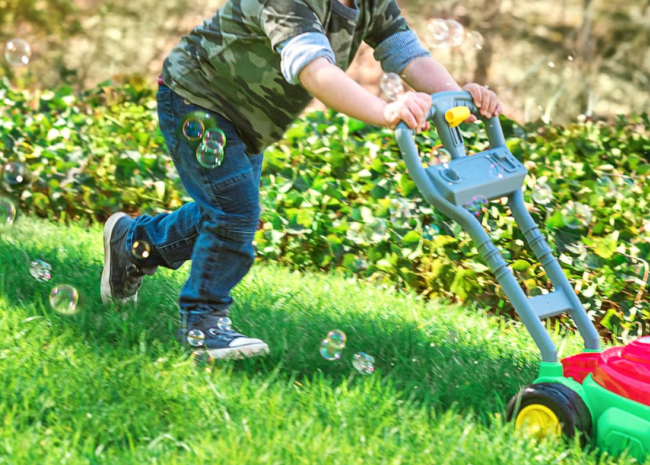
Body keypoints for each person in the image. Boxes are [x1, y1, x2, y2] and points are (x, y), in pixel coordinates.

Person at [100, 0, 503, 360]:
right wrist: (385, 111)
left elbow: (406, 52)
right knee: (234, 213)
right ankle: (204, 324)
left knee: (226, 213)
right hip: (197, 96)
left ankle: (134, 243)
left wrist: (458, 97)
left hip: (247, 119)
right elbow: (316, 73)